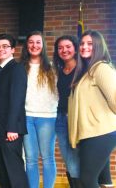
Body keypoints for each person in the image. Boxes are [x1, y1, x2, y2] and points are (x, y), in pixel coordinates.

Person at [68, 30, 116, 188]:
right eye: (82, 44)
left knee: (87, 180)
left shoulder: (101, 68)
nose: (84, 47)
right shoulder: (87, 71)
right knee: (104, 180)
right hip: (90, 132)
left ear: (99, 46)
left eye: (90, 44)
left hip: (100, 132)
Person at [20, 31, 58, 188]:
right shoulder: (20, 67)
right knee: (30, 159)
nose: (34, 45)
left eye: (38, 42)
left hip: (47, 118)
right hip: (26, 117)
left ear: (43, 45)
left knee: (48, 157)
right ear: (26, 45)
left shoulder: (52, 68)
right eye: (31, 42)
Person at [0, 33, 29, 188]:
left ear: (13, 49)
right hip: (0, 128)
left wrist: (12, 128)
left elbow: (17, 100)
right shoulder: (0, 70)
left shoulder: (16, 69)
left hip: (10, 130)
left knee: (15, 172)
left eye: (5, 46)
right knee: (4, 173)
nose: (1, 49)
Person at [53, 35, 81, 187]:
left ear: (75, 48)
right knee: (69, 159)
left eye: (68, 46)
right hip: (60, 119)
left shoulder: (83, 69)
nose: (64, 50)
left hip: (77, 120)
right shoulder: (58, 71)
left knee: (79, 158)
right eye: (60, 48)